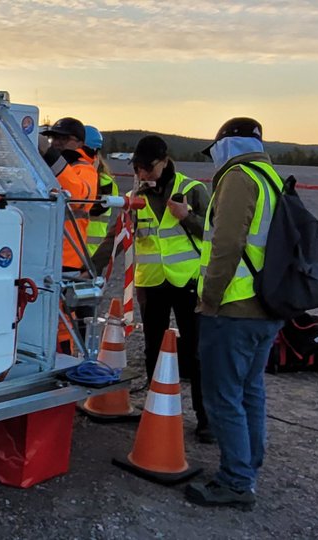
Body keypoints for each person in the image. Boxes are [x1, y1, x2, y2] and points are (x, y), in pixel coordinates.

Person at [185, 117, 286, 510]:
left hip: (234, 309)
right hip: (266, 307)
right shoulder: (271, 178)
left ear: (227, 146)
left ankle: (236, 482)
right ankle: (247, 465)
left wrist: (209, 298)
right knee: (250, 390)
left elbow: (226, 244)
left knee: (223, 396)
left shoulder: (238, 178)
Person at [118, 135, 213, 443]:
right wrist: (90, 266)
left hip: (187, 282)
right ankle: (154, 410)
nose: (142, 173)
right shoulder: (133, 197)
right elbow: (117, 237)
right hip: (152, 284)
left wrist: (187, 217)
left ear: (164, 161)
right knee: (153, 349)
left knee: (196, 352)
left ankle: (206, 419)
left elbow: (215, 233)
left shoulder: (192, 189)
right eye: (137, 167)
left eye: (148, 167)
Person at [39, 117, 98, 354]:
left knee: (62, 323)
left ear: (79, 142)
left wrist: (51, 155)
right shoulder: (47, 168)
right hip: (43, 255)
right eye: (54, 138)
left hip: (67, 259)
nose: (57, 142)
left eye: (64, 138)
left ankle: (63, 363)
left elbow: (77, 197)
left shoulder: (84, 170)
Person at [81, 125, 120, 266]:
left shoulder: (105, 183)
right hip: (72, 253)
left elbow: (93, 208)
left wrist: (90, 174)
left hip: (90, 256)